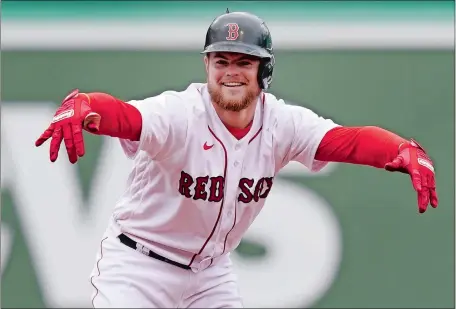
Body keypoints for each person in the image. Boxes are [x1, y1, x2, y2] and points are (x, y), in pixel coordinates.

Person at [35, 10, 438, 309]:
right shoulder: (180, 114)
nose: (231, 71)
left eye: (243, 61)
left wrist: (401, 149)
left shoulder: (281, 123)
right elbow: (125, 116)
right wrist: (84, 104)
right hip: (140, 266)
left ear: (264, 71)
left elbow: (345, 141)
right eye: (221, 60)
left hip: (210, 274)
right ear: (207, 65)